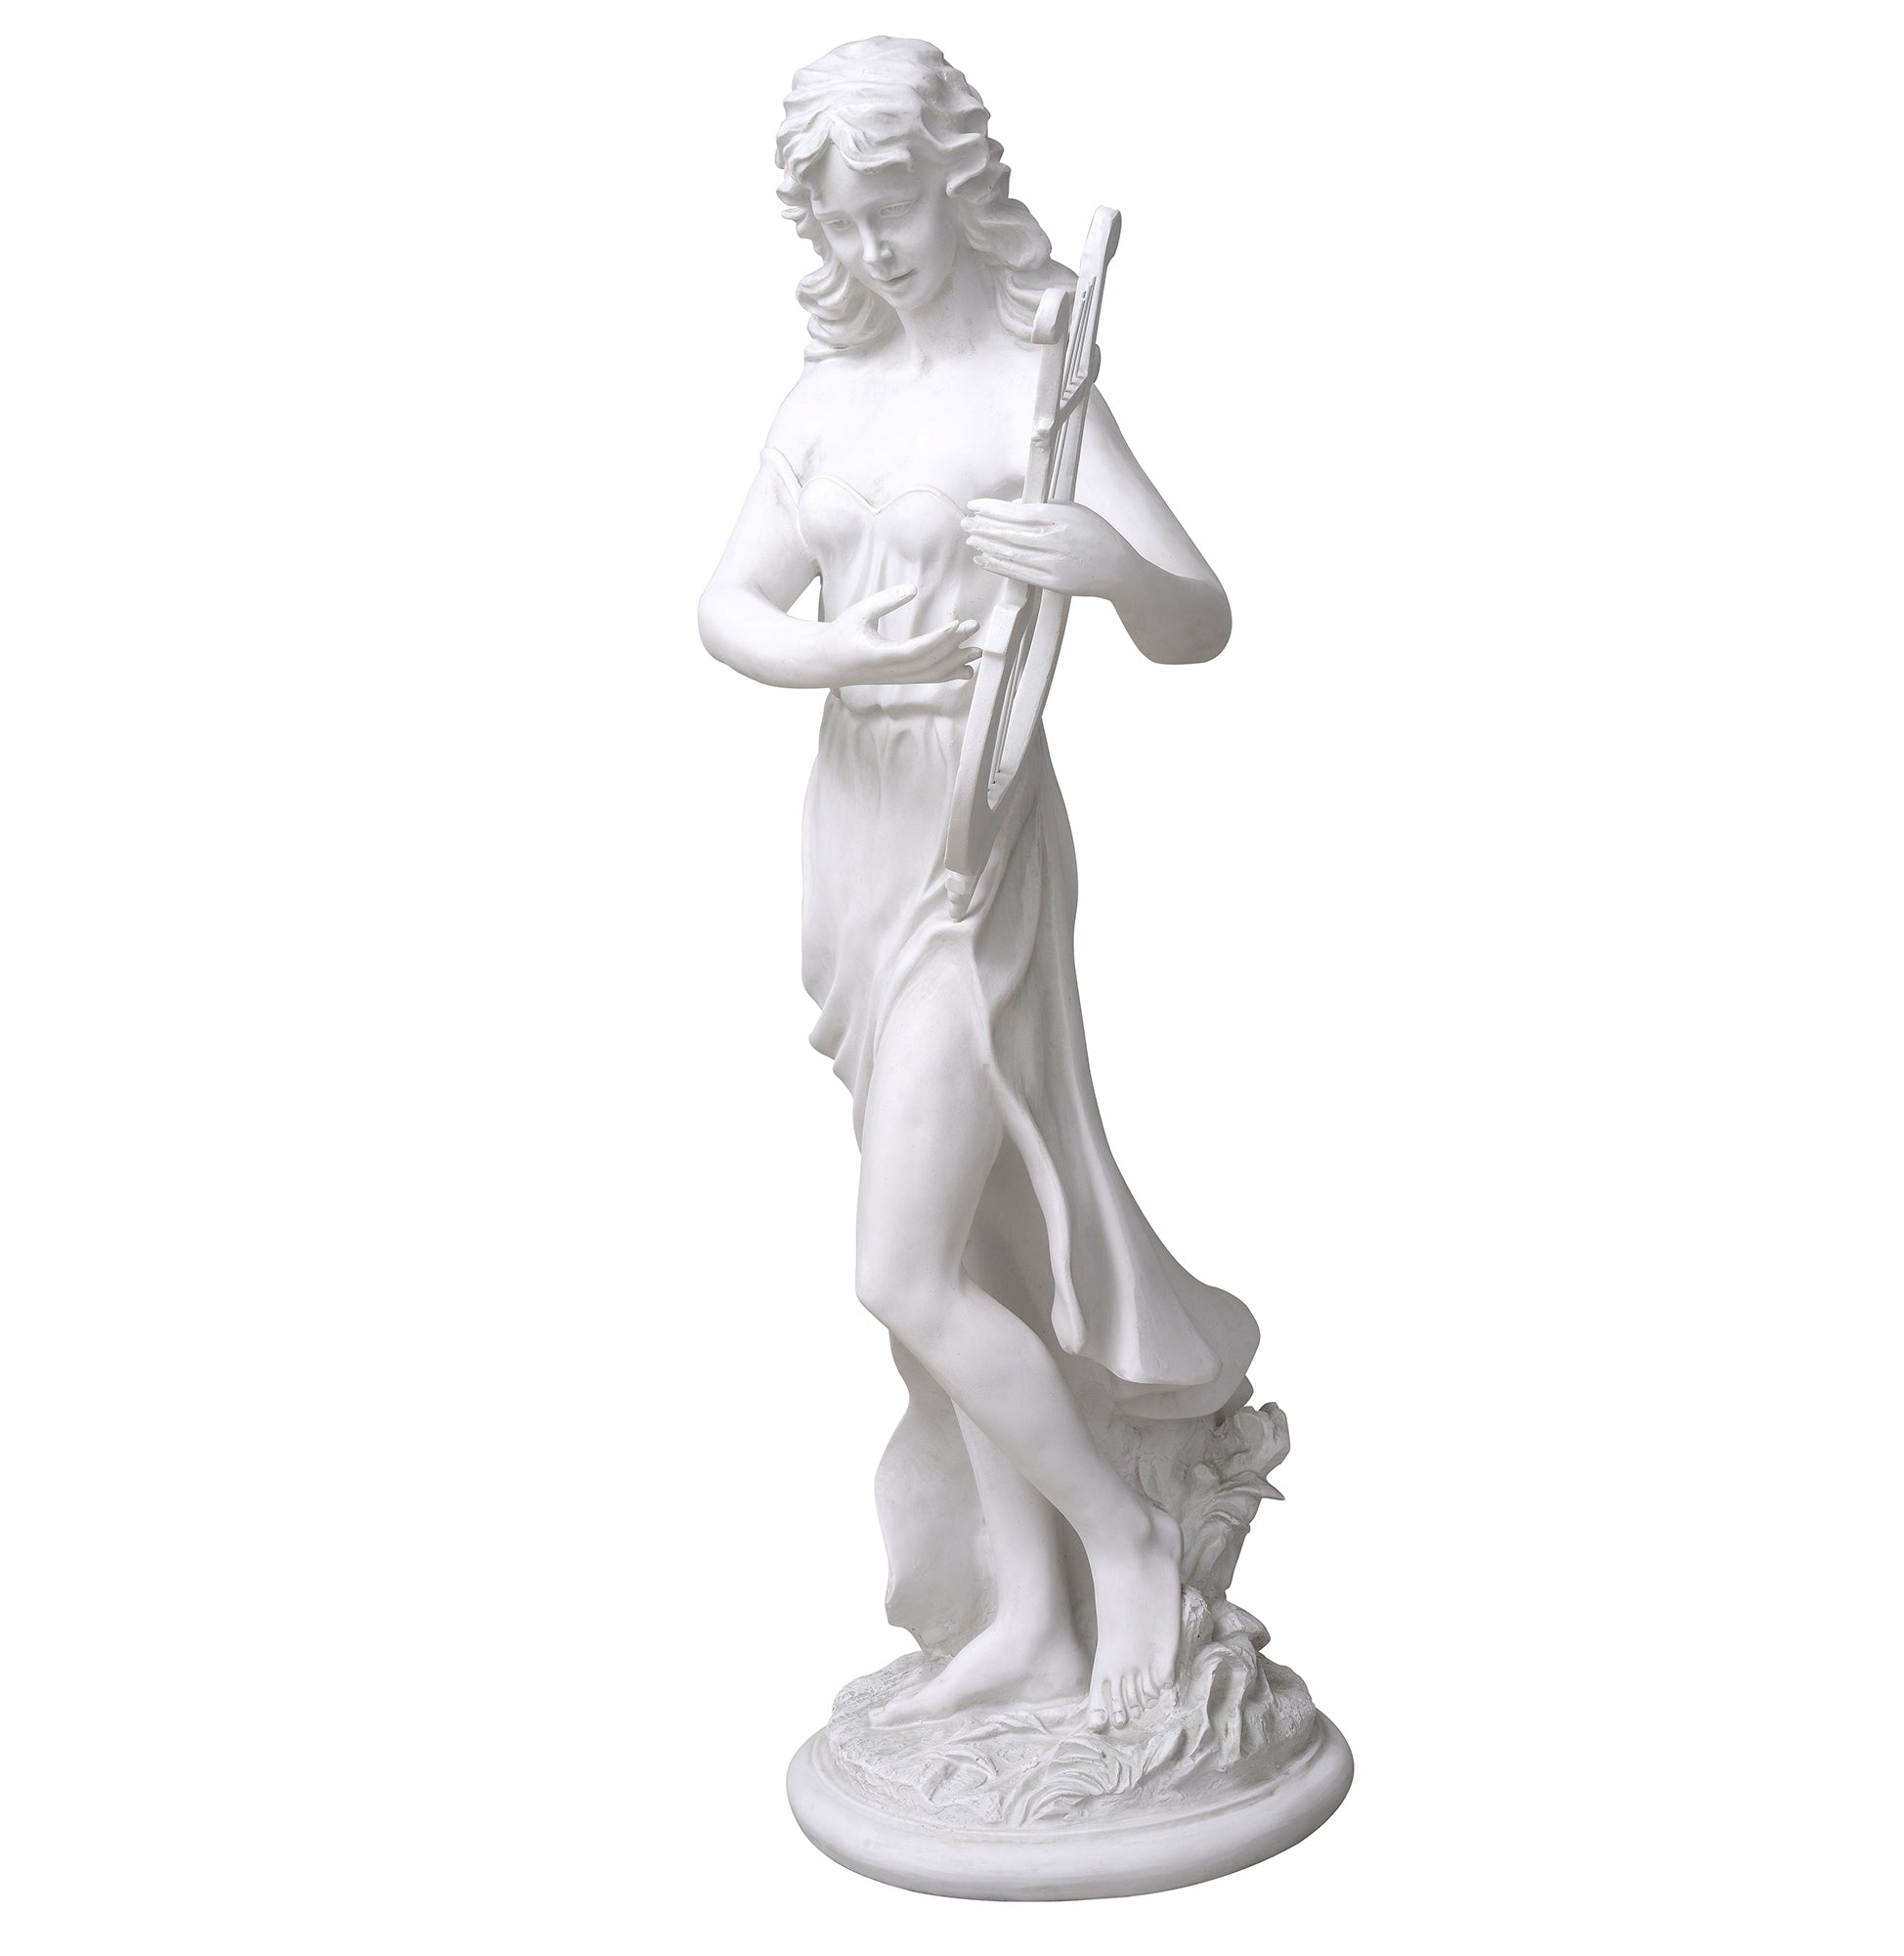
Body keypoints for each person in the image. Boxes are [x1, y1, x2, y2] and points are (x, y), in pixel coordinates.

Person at [699, 37, 1258, 1734]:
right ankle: (1028, 1615)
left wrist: (1106, 566)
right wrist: (829, 652)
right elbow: (727, 602)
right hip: (855, 837)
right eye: (838, 224)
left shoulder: (1036, 390)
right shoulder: (825, 397)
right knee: (969, 1239)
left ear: (953, 188)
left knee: (902, 1264)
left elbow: (1196, 613)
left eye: (892, 212)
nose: (868, 251)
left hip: (974, 835)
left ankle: (1123, 1547)